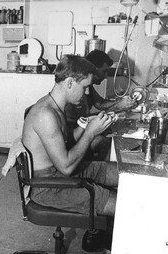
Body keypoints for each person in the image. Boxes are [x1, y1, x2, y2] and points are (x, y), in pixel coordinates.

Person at [22, 55, 118, 216]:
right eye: (85, 87)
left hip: (57, 173)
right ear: (70, 83)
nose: (87, 92)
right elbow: (66, 167)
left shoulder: (54, 105)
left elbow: (64, 143)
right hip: (49, 186)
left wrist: (84, 126)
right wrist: (90, 133)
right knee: (127, 204)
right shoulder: (45, 115)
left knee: (124, 175)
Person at [65, 50, 137, 128]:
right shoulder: (75, 91)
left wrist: (122, 102)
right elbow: (79, 125)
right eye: (104, 71)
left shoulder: (88, 86)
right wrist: (118, 107)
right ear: (94, 69)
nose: (106, 76)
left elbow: (100, 103)